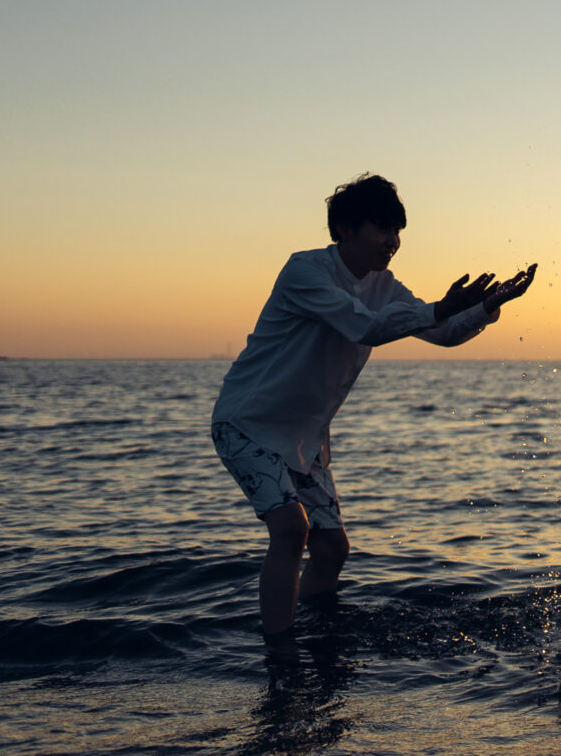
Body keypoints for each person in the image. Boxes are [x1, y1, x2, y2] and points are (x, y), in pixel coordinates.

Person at [212, 173, 537, 640]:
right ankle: (280, 654)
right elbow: (363, 326)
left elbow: (440, 332)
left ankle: (315, 634)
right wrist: (439, 309)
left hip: (305, 440)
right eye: (383, 229)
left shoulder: (383, 285)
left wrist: (488, 306)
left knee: (331, 551)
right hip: (246, 424)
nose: (394, 241)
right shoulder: (305, 271)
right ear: (345, 228)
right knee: (289, 532)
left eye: (398, 231)